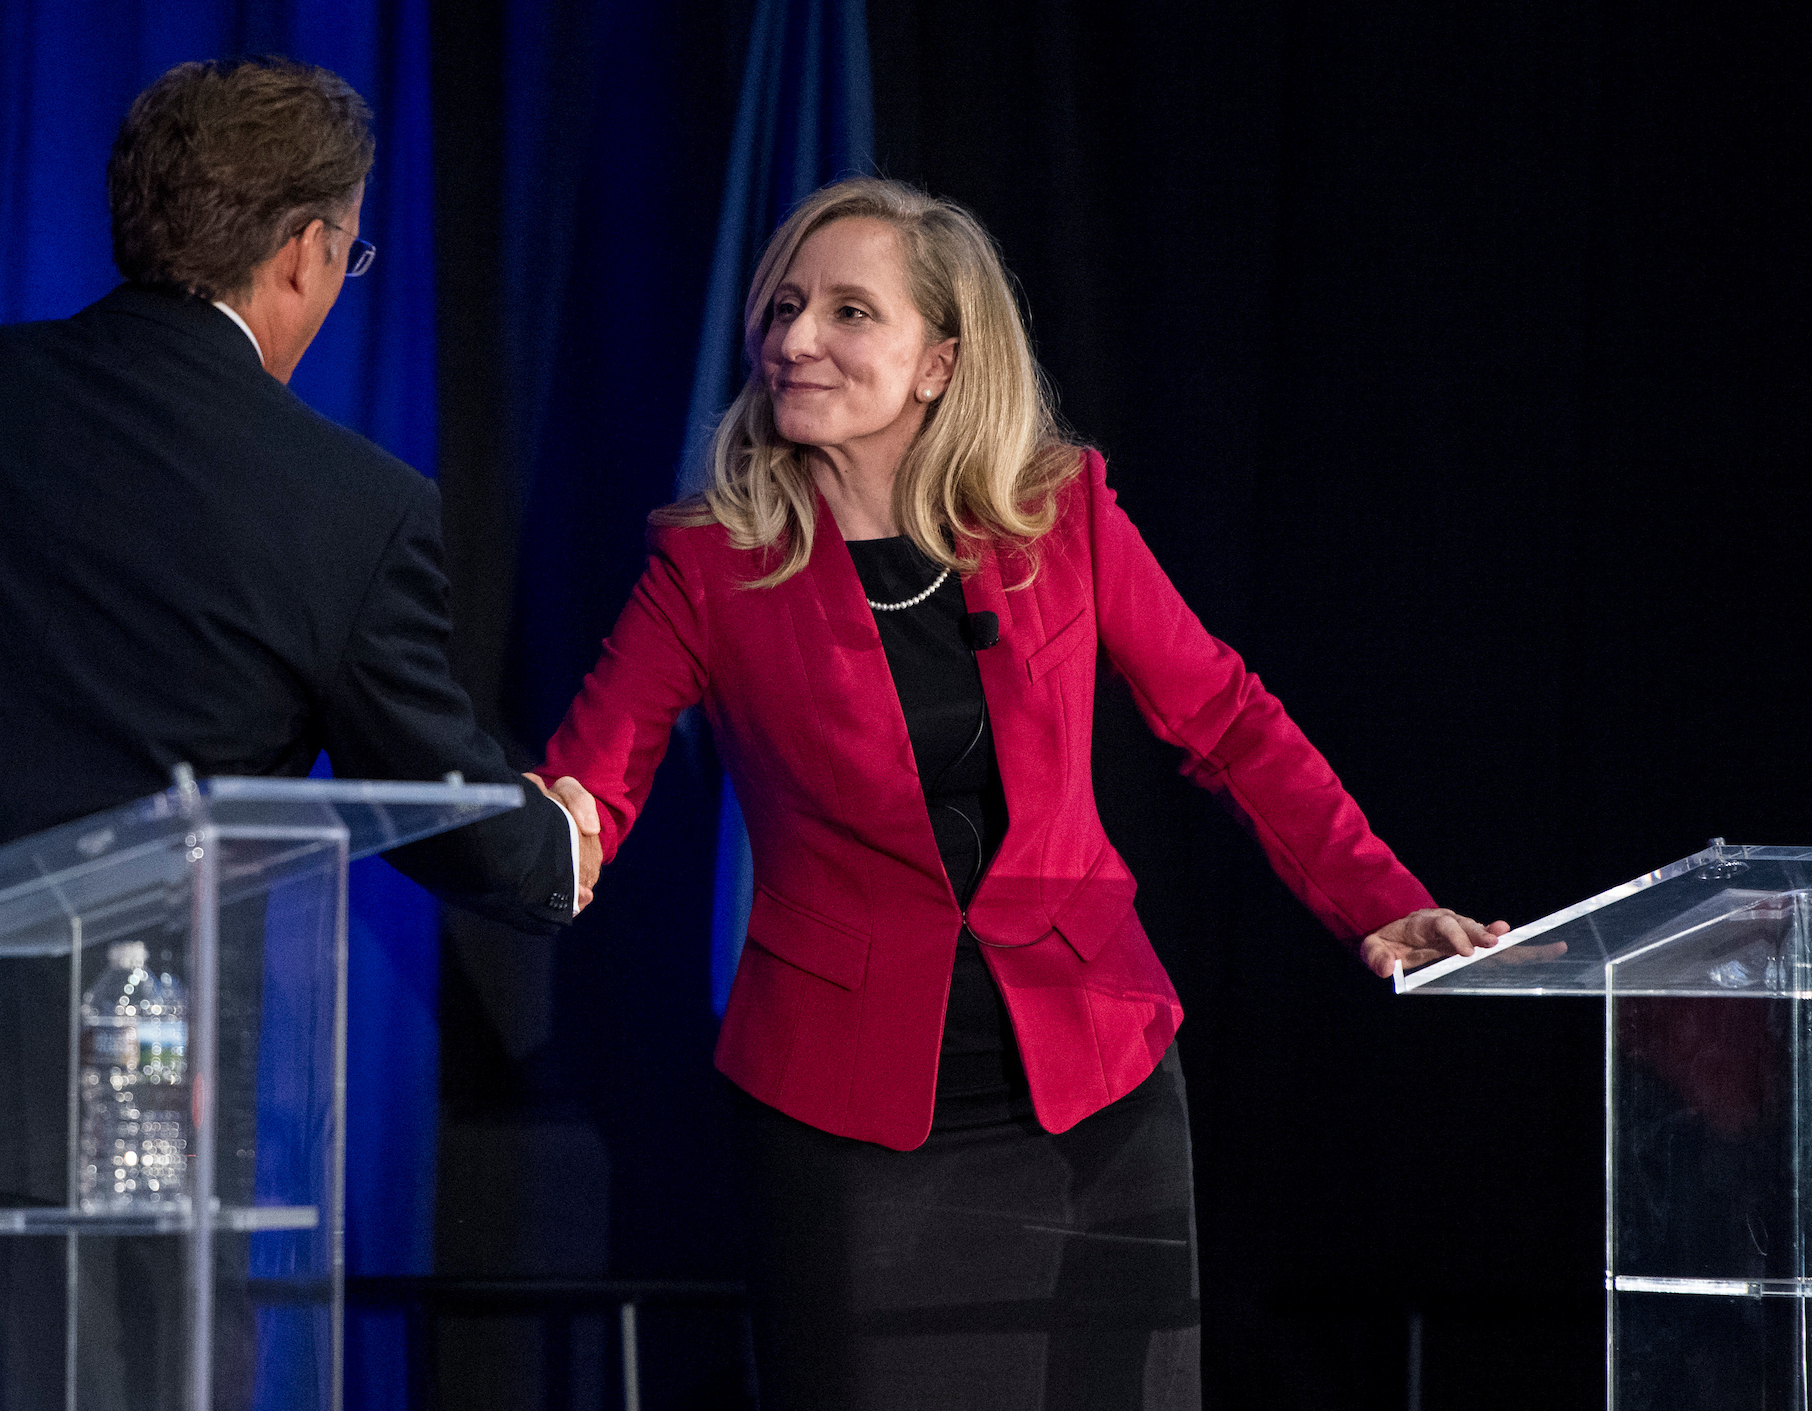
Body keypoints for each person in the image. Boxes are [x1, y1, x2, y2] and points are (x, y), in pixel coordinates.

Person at [0, 58, 600, 1409]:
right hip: (121, 1101)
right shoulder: (350, 507)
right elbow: (427, 782)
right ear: (302, 253)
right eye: (351, 250)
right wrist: (548, 846)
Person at [538, 177, 1505, 1411]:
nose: (794, 341)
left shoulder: (1061, 514)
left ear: (940, 363)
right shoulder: (710, 564)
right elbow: (590, 783)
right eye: (783, 308)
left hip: (1093, 1086)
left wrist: (1379, 900)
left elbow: (1226, 720)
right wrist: (547, 827)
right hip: (843, 1107)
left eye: (847, 313)